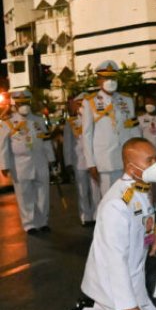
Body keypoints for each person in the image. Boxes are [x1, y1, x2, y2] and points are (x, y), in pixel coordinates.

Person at [61, 138, 156, 310]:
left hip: (134, 277)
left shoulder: (140, 188)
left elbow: (145, 217)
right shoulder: (116, 205)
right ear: (131, 167)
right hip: (111, 283)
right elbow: (114, 260)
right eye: (149, 160)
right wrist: (128, 307)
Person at [81, 61, 141, 198]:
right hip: (105, 162)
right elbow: (87, 135)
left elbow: (134, 129)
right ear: (99, 81)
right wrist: (91, 163)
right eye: (106, 78)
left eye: (113, 78)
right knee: (109, 200)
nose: (110, 81)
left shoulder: (126, 100)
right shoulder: (90, 102)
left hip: (127, 159)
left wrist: (138, 156)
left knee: (129, 199)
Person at [0, 90, 56, 233]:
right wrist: (4, 165)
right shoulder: (8, 122)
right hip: (19, 163)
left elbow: (45, 140)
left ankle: (43, 221)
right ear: (15, 104)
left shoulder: (37, 120)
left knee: (43, 193)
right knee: (24, 194)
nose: (24, 105)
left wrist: (51, 158)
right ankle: (29, 224)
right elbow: (3, 145)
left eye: (26, 102)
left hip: (40, 160)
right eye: (21, 103)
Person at [63, 94, 101, 227]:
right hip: (78, 161)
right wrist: (68, 162)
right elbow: (67, 144)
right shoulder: (71, 122)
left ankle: (97, 215)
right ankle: (86, 216)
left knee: (96, 190)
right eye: (79, 105)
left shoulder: (96, 119)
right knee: (82, 190)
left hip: (94, 160)